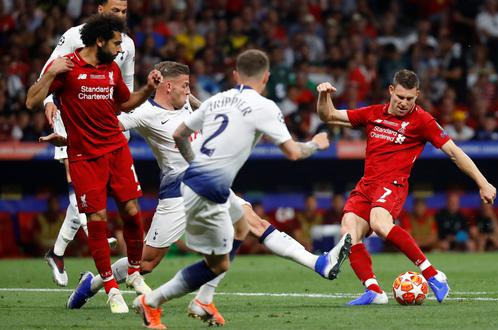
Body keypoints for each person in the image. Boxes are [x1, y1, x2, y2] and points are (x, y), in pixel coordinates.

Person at [58, 61, 349, 326]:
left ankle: (317, 263)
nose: (189, 89)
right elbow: (107, 127)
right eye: (184, 85)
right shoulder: (145, 113)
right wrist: (67, 136)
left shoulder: (188, 105)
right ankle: (94, 283)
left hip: (208, 181)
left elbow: (208, 113)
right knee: (145, 263)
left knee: (251, 222)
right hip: (176, 192)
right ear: (168, 86)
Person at [316, 69, 496, 305]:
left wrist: (483, 182)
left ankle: (433, 275)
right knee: (348, 231)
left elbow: (454, 152)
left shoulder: (422, 120)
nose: (403, 103)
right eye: (400, 97)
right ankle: (374, 291)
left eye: (410, 99)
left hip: (393, 183)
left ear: (417, 95)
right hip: (367, 184)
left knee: (380, 223)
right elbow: (328, 116)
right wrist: (323, 94)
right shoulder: (372, 114)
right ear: (391, 91)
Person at [26, 14, 163, 313]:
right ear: (99, 41)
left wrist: (149, 89)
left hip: (116, 150)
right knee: (97, 219)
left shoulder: (111, 68)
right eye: (116, 43)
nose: (119, 49)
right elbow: (31, 101)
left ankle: (135, 273)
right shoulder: (66, 66)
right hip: (84, 156)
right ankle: (111, 289)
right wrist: (50, 75)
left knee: (131, 211)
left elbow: (124, 104)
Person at [39, 0, 135, 288]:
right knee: (79, 185)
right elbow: (49, 71)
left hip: (106, 123)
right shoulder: (73, 36)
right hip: (70, 118)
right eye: (116, 10)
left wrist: (124, 120)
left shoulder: (126, 44)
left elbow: (126, 86)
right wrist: (47, 101)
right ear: (100, 8)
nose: (121, 16)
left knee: (91, 190)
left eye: (125, 11)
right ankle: (89, 227)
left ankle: (56, 253)